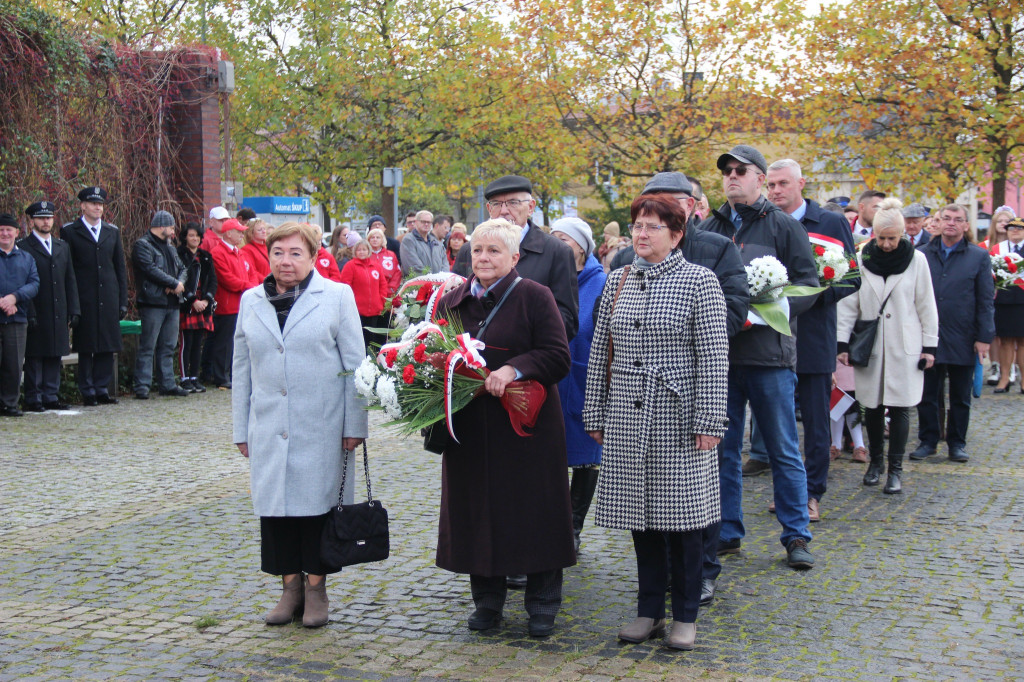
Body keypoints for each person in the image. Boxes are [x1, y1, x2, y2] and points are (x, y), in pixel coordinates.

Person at [583, 193, 729, 651]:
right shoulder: (618, 279)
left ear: (677, 233)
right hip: (627, 413)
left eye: (652, 227)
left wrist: (709, 418)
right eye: (637, 226)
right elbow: (599, 350)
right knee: (641, 519)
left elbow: (714, 357)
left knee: (683, 521)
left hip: (680, 415)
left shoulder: (700, 281)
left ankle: (685, 615)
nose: (641, 235)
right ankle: (649, 610)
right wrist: (595, 410)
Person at [434, 218, 573, 638]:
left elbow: (556, 356)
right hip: (472, 426)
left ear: (515, 257)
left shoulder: (535, 296)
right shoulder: (452, 301)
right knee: (478, 512)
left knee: (536, 512)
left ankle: (542, 604)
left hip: (525, 428)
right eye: (477, 249)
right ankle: (488, 603)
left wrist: (514, 369)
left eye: (494, 250)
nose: (483, 257)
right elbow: (432, 350)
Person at [233, 221, 368, 629]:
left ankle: (315, 589)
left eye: (295, 253)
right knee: (276, 513)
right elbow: (242, 368)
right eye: (278, 253)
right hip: (269, 425)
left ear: (313, 257)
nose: (285, 261)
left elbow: (355, 365)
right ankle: (288, 586)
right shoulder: (251, 300)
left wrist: (355, 425)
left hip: (322, 424)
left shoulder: (337, 296)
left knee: (316, 510)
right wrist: (241, 427)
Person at [700, 145, 820, 570]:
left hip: (769, 355)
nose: (732, 176)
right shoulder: (709, 226)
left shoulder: (784, 225)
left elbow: (807, 282)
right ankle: (727, 530)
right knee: (722, 450)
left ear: (759, 178)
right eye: (726, 171)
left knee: (784, 449)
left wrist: (769, 312)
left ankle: (796, 534)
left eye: (741, 170)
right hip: (721, 358)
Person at [748, 159, 859, 521]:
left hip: (812, 333)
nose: (777, 191)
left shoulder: (829, 222)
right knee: (777, 423)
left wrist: (807, 297)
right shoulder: (763, 221)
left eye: (783, 184)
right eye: (772, 185)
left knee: (815, 418)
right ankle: (787, 491)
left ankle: (811, 493)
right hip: (771, 337)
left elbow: (850, 278)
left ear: (801, 184)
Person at [837, 199, 939, 494]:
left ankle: (895, 469)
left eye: (891, 238)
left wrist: (929, 347)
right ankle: (875, 463)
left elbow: (926, 305)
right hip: (870, 345)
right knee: (871, 407)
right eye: (881, 238)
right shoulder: (861, 257)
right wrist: (842, 342)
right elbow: (848, 304)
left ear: (902, 235)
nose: (885, 244)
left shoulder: (917, 260)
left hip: (905, 344)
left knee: (900, 408)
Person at [911, 204, 995, 463]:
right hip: (928, 336)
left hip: (964, 335)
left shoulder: (978, 257)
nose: (951, 223)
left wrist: (984, 337)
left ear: (966, 226)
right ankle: (928, 441)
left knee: (960, 396)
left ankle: (957, 443)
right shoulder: (921, 254)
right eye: (946, 218)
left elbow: (985, 300)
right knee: (927, 394)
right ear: (937, 222)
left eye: (958, 220)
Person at [452, 175, 580, 341]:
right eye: (497, 204)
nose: (504, 211)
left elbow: (567, 320)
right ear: (489, 209)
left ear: (531, 207)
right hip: (472, 359)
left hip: (527, 360)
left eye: (513, 202)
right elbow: (456, 305)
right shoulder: (468, 250)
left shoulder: (557, 251)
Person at [550, 217, 606, 554]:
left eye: (564, 239)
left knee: (586, 455)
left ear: (581, 247)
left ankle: (573, 524)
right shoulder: (549, 276)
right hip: (553, 378)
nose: (557, 244)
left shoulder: (601, 282)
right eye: (553, 237)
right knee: (551, 453)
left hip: (586, 378)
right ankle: (552, 521)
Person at [62, 186, 128, 406]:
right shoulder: (70, 231)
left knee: (107, 346)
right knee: (87, 345)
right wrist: (72, 304)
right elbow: (68, 269)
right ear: (83, 206)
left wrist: (122, 300)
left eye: (100, 204)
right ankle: (87, 390)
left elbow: (119, 268)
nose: (98, 208)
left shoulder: (112, 231)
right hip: (85, 296)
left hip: (108, 295)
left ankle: (101, 388)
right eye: (93, 204)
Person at [18, 201, 78, 412]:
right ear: (32, 220)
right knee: (35, 354)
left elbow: (70, 279)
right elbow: (23, 281)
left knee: (55, 353)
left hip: (59, 308)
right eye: (41, 218)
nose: (46, 221)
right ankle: (34, 397)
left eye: (49, 217)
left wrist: (74, 309)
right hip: (37, 307)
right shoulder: (24, 247)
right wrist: (30, 311)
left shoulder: (62, 246)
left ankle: (51, 394)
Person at [130, 211, 188, 399]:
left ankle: (168, 383)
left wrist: (177, 285)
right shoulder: (143, 245)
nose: (173, 231)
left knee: (168, 345)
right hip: (152, 302)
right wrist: (173, 283)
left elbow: (183, 268)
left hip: (172, 303)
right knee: (148, 345)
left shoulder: (170, 248)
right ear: (162, 226)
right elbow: (149, 269)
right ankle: (142, 386)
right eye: (171, 227)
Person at [204, 217, 253, 389]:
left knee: (235, 342)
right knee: (224, 343)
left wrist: (250, 285)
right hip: (227, 304)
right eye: (239, 232)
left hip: (240, 302)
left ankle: (230, 374)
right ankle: (220, 376)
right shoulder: (218, 253)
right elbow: (227, 279)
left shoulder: (239, 253)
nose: (242, 235)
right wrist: (249, 286)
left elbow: (250, 272)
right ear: (229, 233)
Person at [0, 213, 40, 416]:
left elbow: (34, 284)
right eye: (1, 230)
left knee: (14, 364)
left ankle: (9, 404)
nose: (5, 234)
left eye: (9, 230)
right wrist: (3, 301)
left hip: (17, 317)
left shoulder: (26, 258)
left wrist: (14, 298)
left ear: (17, 232)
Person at [177, 222, 216, 393]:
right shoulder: (178, 254)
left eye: (197, 236)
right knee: (187, 342)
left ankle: (195, 377)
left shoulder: (206, 256)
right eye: (191, 235)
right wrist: (193, 300)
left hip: (203, 304)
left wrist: (207, 300)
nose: (194, 238)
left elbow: (213, 280)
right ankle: (184, 377)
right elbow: (178, 279)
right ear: (185, 237)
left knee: (198, 341)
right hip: (187, 304)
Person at [981, 206, 1016, 385]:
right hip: (992, 295)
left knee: (1012, 335)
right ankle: (996, 365)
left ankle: (1012, 367)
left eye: (1007, 222)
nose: (1003, 224)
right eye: (1000, 221)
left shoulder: (1018, 246)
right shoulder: (986, 246)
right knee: (994, 333)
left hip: (1014, 297)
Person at [991, 217, 1024, 394]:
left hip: (1023, 300)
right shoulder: (998, 249)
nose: (1015, 231)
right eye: (1011, 228)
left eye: (1019, 228)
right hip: (1003, 300)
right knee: (1005, 341)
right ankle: (1004, 378)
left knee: (1023, 341)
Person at [339, 238, 389, 349]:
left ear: (369, 251)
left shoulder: (376, 266)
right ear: (355, 252)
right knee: (361, 339)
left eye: (364, 249)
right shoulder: (350, 266)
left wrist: (382, 301)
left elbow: (383, 285)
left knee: (374, 339)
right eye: (359, 250)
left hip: (376, 310)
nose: (362, 252)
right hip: (358, 311)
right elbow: (346, 286)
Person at [400, 210, 448, 275]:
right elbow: (413, 267)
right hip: (418, 283)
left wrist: (442, 278)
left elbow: (445, 264)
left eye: (428, 222)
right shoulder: (409, 240)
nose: (426, 224)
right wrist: (432, 279)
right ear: (416, 222)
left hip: (439, 283)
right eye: (423, 222)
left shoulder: (436, 242)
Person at [367, 227, 401, 294]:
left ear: (382, 240)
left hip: (388, 294)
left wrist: (389, 290)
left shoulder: (391, 255)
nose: (375, 239)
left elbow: (397, 274)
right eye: (372, 237)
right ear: (368, 240)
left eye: (378, 237)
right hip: (370, 293)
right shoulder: (365, 256)